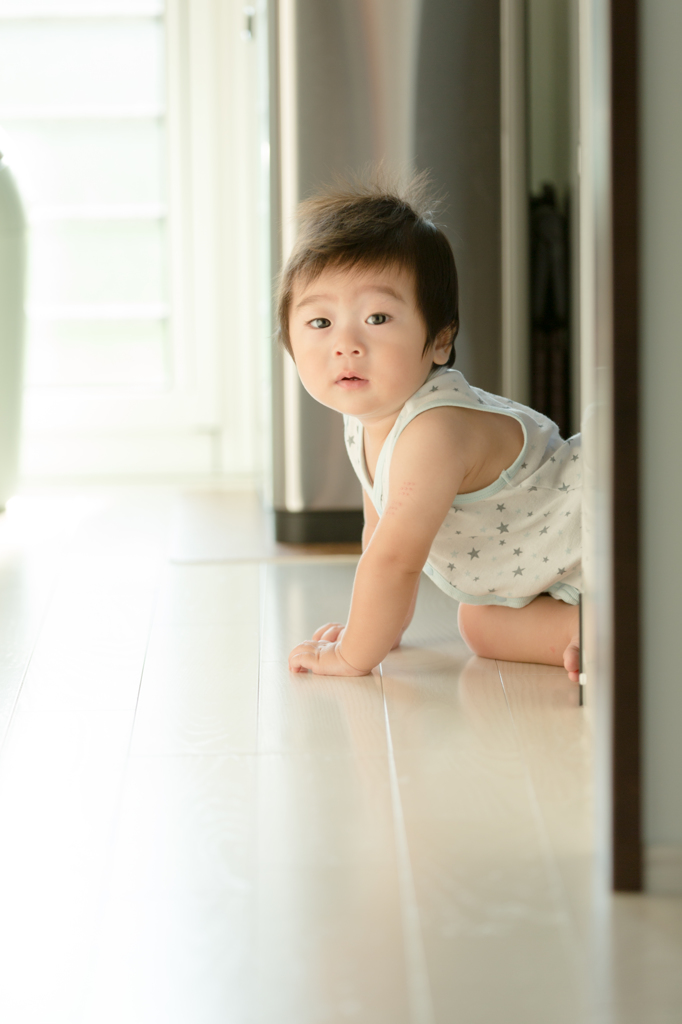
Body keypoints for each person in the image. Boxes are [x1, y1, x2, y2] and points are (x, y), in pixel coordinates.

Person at [283, 176, 581, 681]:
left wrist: (354, 653)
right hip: (538, 565)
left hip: (591, 536)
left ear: (440, 341)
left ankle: (631, 623)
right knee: (480, 623)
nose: (346, 344)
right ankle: (595, 632)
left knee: (479, 620)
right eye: (319, 323)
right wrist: (376, 626)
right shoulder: (365, 421)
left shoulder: (433, 431)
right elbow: (379, 538)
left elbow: (397, 559)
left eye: (377, 317)